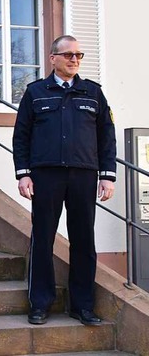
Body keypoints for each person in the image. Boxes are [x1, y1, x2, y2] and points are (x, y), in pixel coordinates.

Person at [12, 35, 116, 327]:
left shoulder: (93, 93)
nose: (74, 59)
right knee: (43, 237)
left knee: (84, 240)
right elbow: (21, 136)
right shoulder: (35, 93)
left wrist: (107, 176)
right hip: (46, 175)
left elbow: (106, 137)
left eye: (78, 55)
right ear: (53, 58)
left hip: (84, 174)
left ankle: (82, 306)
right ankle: (40, 304)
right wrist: (23, 174)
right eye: (68, 54)